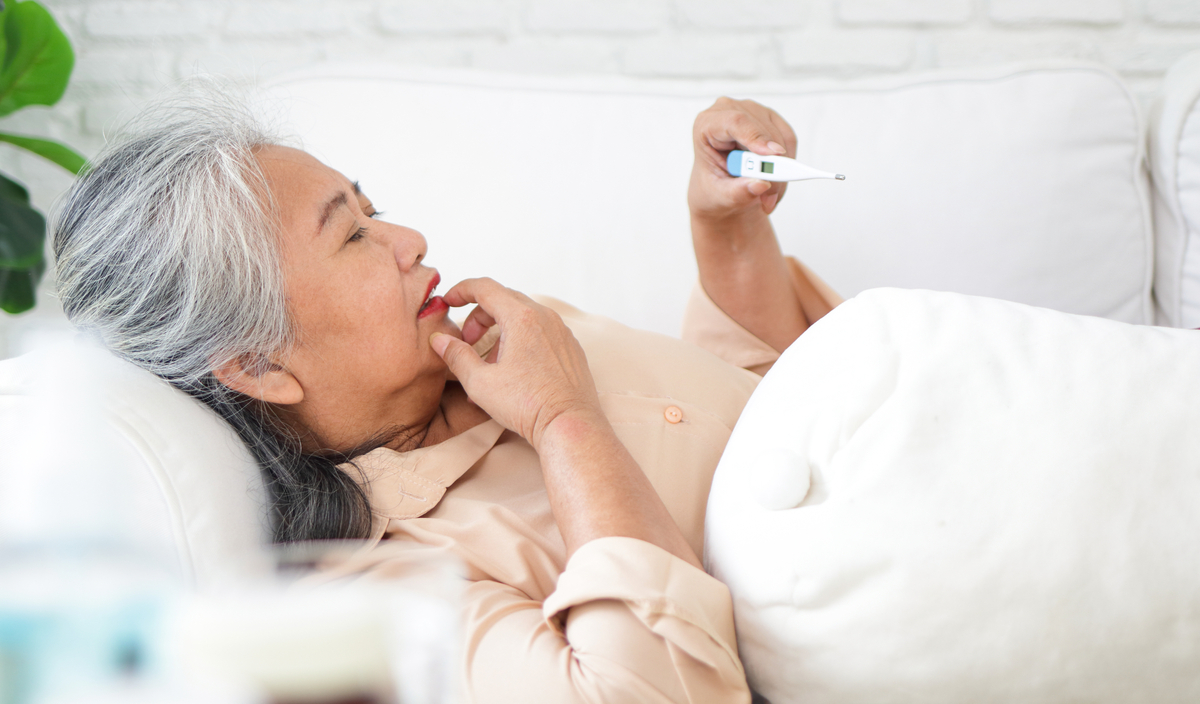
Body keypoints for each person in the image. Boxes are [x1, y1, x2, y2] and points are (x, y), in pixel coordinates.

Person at [50, 91, 840, 703]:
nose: (410, 240)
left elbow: (768, 403)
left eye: (374, 210)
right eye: (353, 236)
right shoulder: (388, 587)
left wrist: (726, 230)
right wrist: (565, 421)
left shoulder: (518, 342)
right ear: (259, 364)